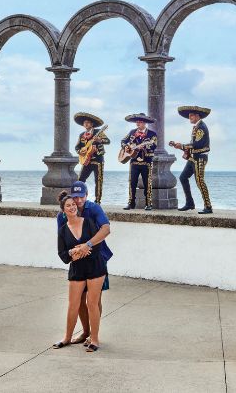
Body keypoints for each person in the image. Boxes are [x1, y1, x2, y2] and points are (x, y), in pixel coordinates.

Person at [55, 181, 113, 347]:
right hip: (78, 262)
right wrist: (74, 253)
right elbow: (63, 239)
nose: (78, 201)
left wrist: (88, 245)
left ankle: (93, 335)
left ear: (87, 196)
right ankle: (85, 331)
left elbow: (106, 229)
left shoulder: (93, 209)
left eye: (81, 197)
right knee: (78, 301)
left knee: (94, 300)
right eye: (75, 197)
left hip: (97, 257)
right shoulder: (62, 215)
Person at [169, 105, 213, 214]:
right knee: (183, 177)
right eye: (189, 116)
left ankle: (208, 207)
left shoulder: (202, 127)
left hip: (200, 158)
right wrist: (181, 146)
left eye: (191, 116)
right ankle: (190, 203)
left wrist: (182, 146)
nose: (189, 118)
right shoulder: (197, 127)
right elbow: (193, 145)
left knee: (200, 182)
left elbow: (197, 145)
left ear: (197, 116)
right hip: (193, 158)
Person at [121, 112, 158, 210]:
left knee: (147, 183)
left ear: (145, 123)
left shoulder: (152, 134)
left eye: (140, 122)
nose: (138, 124)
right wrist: (126, 147)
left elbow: (154, 145)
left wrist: (145, 146)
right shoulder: (132, 132)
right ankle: (131, 203)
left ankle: (148, 204)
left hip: (146, 162)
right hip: (134, 162)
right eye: (137, 122)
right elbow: (123, 141)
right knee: (132, 183)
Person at [74, 112, 110, 204]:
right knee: (80, 180)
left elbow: (108, 141)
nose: (86, 124)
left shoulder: (98, 132)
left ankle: (97, 201)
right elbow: (77, 147)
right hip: (86, 160)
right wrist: (80, 151)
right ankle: (80, 198)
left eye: (88, 122)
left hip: (98, 160)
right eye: (84, 122)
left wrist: (100, 140)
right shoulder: (81, 135)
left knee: (98, 181)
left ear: (92, 124)